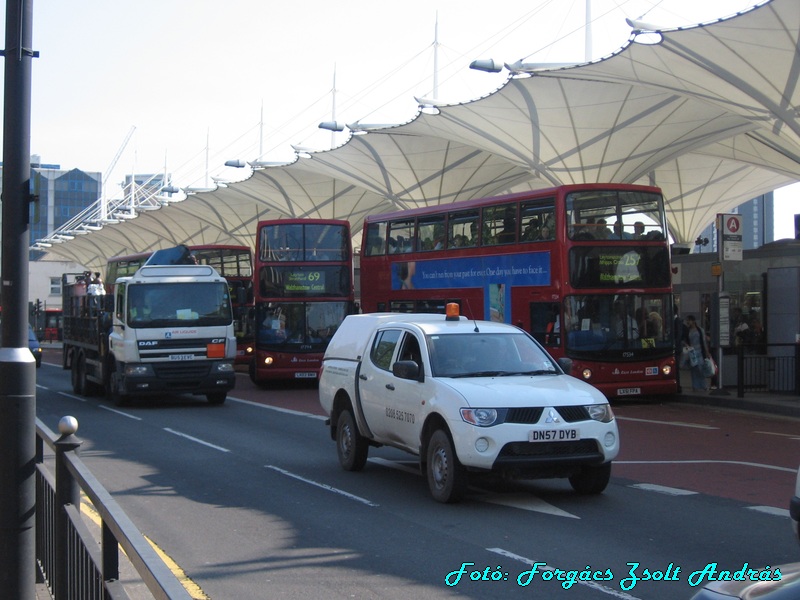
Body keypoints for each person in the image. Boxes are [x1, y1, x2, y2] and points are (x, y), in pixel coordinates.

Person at [683, 314, 710, 392]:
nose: (688, 322)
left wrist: (707, 352)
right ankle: (696, 386)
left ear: (693, 321)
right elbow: (685, 341)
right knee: (694, 369)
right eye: (687, 321)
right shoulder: (689, 330)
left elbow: (704, 342)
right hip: (692, 352)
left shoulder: (700, 330)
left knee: (700, 368)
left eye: (689, 320)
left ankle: (703, 385)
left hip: (699, 351)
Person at [673, 305, 687, 393]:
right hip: (676, 347)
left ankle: (678, 386)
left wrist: (674, 344)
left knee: (676, 368)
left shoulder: (677, 321)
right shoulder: (674, 320)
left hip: (676, 348)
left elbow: (678, 335)